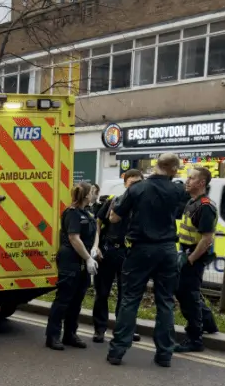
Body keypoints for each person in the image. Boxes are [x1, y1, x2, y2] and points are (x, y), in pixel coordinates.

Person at [107, 153, 187, 367]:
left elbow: (114, 217)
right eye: (176, 169)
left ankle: (118, 351)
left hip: (140, 250)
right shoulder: (178, 189)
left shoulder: (137, 189)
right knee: (165, 302)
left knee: (130, 299)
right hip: (168, 250)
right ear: (172, 168)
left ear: (156, 165)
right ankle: (164, 354)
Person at [45, 182, 99, 350]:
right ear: (85, 195)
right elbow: (74, 238)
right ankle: (52, 336)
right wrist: (88, 258)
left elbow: (96, 230)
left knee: (77, 300)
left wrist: (95, 247)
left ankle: (70, 334)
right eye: (92, 192)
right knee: (64, 299)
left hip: (83, 259)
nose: (94, 195)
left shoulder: (88, 212)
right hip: (71, 260)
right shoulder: (72, 213)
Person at [93, 169, 144, 343]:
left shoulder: (144, 206)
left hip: (129, 254)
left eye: (139, 183)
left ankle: (124, 329)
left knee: (126, 295)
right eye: (132, 184)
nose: (135, 187)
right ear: (125, 185)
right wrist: (96, 246)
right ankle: (100, 329)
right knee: (102, 293)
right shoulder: (113, 201)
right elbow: (97, 224)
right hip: (109, 251)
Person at [174, 166, 218, 352]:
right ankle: (208, 323)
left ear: (201, 183)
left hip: (193, 258)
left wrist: (190, 259)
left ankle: (195, 339)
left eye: (191, 178)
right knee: (189, 293)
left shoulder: (205, 206)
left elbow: (207, 239)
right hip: (186, 253)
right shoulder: (192, 202)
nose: (187, 181)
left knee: (188, 297)